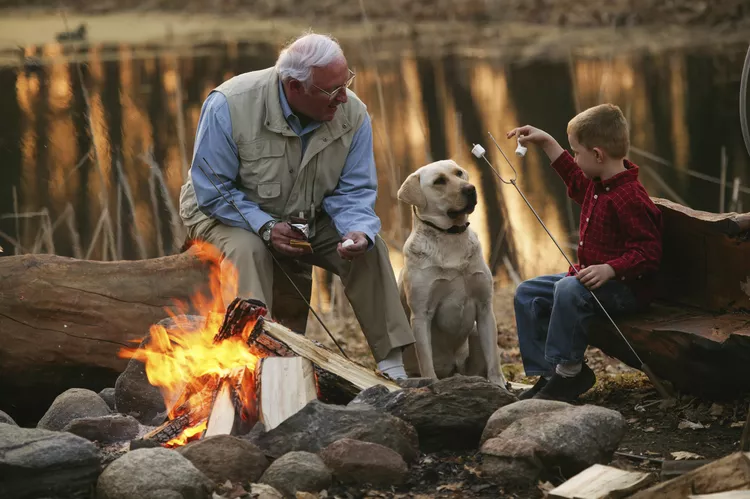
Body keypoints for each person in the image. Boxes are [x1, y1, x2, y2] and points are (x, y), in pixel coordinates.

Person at [178, 31, 415, 380]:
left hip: (308, 215)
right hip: (225, 213)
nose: (343, 97)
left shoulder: (354, 114)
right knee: (249, 249)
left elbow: (354, 191)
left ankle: (396, 368)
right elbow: (213, 189)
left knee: (369, 248)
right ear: (294, 86)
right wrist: (265, 227)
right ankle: (254, 364)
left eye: (346, 82)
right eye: (332, 91)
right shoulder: (229, 104)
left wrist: (357, 230)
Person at [507, 103, 663, 402]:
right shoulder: (598, 184)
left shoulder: (629, 197)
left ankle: (570, 372)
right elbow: (574, 178)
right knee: (528, 293)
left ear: (597, 155)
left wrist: (612, 268)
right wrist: (547, 143)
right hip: (591, 285)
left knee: (568, 288)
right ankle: (550, 372)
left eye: (576, 152)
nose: (574, 159)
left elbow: (648, 252)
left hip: (626, 290)